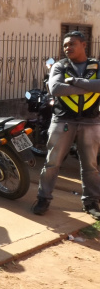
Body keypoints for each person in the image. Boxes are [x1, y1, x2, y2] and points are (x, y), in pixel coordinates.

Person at [31, 31, 100, 219]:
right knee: (52, 162)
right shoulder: (60, 66)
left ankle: (92, 202)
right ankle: (43, 198)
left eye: (72, 44)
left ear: (84, 45)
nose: (67, 48)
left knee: (91, 165)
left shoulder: (96, 65)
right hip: (63, 120)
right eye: (65, 45)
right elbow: (55, 89)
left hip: (91, 121)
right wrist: (89, 85)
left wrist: (76, 82)